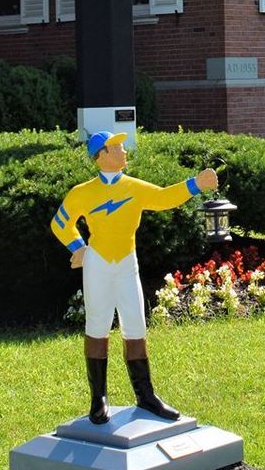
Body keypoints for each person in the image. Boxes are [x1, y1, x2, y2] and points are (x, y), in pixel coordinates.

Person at [51, 132, 218, 425]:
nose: (124, 151)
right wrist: (80, 249)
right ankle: (98, 399)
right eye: (117, 147)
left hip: (127, 263)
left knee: (136, 326)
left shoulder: (134, 187)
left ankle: (146, 396)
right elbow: (60, 223)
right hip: (98, 265)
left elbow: (164, 197)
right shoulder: (82, 192)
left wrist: (196, 184)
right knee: (97, 327)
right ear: (101, 155)